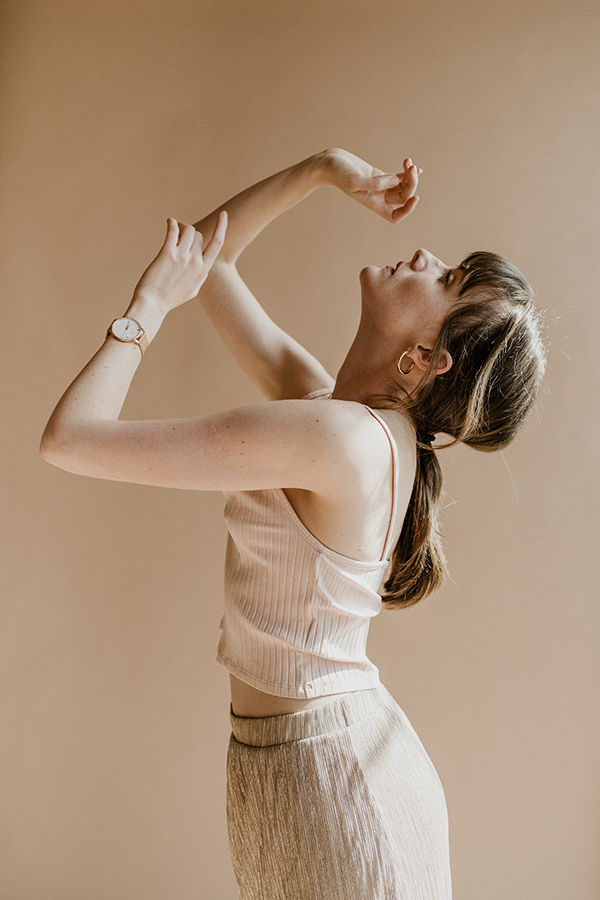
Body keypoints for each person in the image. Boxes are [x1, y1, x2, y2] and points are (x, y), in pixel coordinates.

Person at [41, 148, 546, 900]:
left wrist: (146, 308)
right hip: (291, 765)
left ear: (424, 358)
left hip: (333, 780)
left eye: (447, 281)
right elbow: (207, 256)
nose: (425, 256)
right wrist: (321, 171)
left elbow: (70, 440)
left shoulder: (343, 442)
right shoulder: (341, 419)